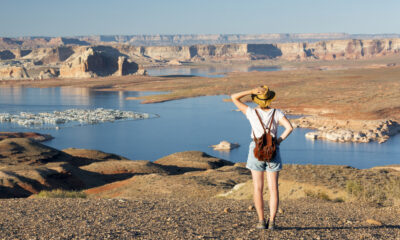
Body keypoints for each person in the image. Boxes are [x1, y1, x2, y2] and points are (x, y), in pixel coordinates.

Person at [231, 85, 293, 230]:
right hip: (273, 150)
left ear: (257, 99)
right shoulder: (277, 113)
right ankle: (272, 222)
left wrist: (250, 91)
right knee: (273, 189)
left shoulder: (251, 112)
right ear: (270, 99)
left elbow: (234, 97)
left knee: (258, 188)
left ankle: (261, 221)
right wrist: (278, 141)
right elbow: (289, 127)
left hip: (256, 151)